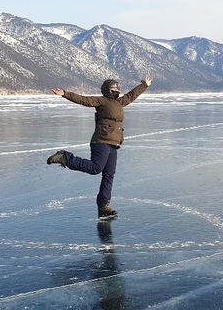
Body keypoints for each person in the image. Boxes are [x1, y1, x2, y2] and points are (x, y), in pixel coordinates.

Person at [47, 77, 151, 218]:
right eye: (113, 88)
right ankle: (66, 157)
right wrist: (65, 93)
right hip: (101, 140)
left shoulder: (119, 102)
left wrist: (144, 85)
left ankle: (103, 206)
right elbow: (83, 100)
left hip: (114, 144)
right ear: (107, 89)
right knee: (96, 168)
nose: (116, 90)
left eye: (117, 88)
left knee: (109, 175)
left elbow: (131, 96)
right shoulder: (101, 101)